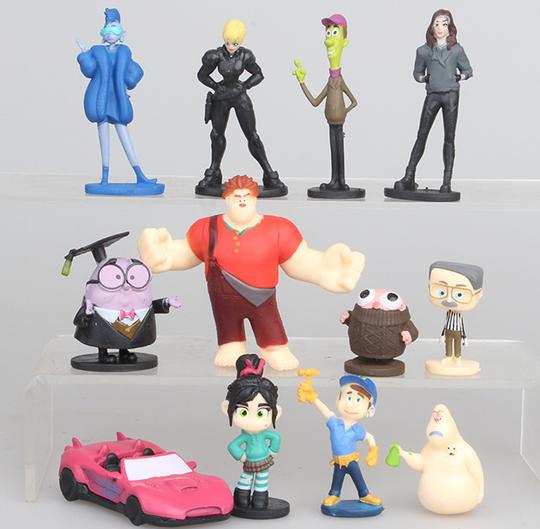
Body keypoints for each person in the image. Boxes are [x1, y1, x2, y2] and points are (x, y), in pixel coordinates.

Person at [138, 175, 365, 370]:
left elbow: (300, 261)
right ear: (226, 199)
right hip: (223, 299)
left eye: (247, 195)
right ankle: (230, 345)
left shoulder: (279, 228)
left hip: (263, 298)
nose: (242, 200)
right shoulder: (206, 228)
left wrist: (325, 270)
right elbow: (185, 253)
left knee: (269, 325)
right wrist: (164, 255)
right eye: (236, 196)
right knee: (227, 326)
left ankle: (274, 347)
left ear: (256, 198)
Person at [77, 8, 162, 194]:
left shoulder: (124, 53)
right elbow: (89, 70)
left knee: (125, 138)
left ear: (122, 34)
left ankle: (139, 174)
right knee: (103, 138)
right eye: (107, 30)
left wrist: (126, 82)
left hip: (117, 99)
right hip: (100, 98)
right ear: (103, 33)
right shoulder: (97, 52)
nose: (110, 33)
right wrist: (84, 55)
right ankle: (104, 177)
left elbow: (135, 73)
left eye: (114, 29)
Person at [197, 20, 285, 196]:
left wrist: (245, 85)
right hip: (222, 96)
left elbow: (259, 74)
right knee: (216, 134)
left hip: (239, 96)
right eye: (228, 42)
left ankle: (269, 172)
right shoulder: (216, 55)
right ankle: (214, 170)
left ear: (241, 42)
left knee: (252, 135)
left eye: (235, 43)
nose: (231, 47)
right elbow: (202, 74)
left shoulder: (245, 56)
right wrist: (215, 86)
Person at [393, 9, 472, 195]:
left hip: (450, 95)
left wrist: (460, 76)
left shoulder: (456, 50)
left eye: (444, 24)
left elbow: (468, 70)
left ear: (450, 28)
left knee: (449, 138)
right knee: (422, 134)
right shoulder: (423, 51)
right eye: (436, 24)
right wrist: (423, 78)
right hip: (433, 95)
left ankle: (446, 181)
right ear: (431, 27)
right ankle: (409, 176)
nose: (440, 28)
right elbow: (417, 72)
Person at [292, 14, 362, 198]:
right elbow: (315, 101)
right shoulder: (330, 82)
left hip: (339, 122)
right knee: (333, 151)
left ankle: (341, 181)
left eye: (334, 32)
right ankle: (334, 180)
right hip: (330, 122)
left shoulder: (339, 81)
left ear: (344, 41)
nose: (328, 39)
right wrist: (302, 82)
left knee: (339, 150)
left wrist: (344, 112)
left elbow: (354, 101)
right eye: (328, 33)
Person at [297, 373, 382, 511]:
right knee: (337, 479)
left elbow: (369, 437)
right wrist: (314, 399)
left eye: (358, 400)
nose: (350, 404)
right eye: (348, 397)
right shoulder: (335, 423)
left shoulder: (357, 430)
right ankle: (334, 495)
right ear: (338, 399)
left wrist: (373, 451)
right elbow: (326, 411)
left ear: (369, 410)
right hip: (338, 461)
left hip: (352, 461)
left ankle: (364, 494)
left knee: (358, 478)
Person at [222, 354, 289, 518]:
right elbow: (232, 446)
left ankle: (260, 499)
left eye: (261, 413)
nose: (252, 421)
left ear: (277, 413)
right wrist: (242, 456)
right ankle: (242, 497)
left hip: (264, 459)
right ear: (226, 409)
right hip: (250, 460)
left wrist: (273, 451)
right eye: (243, 412)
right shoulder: (245, 436)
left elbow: (276, 438)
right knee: (246, 477)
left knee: (262, 479)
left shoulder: (264, 433)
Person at [427, 260, 484, 375]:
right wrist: (442, 335)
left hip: (458, 332)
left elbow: (462, 326)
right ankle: (448, 357)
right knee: (448, 344)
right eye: (442, 291)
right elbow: (445, 324)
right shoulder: (449, 314)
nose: (449, 300)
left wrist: (465, 337)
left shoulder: (459, 316)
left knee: (457, 345)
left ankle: (457, 358)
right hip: (448, 331)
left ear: (478, 294)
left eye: (459, 294)